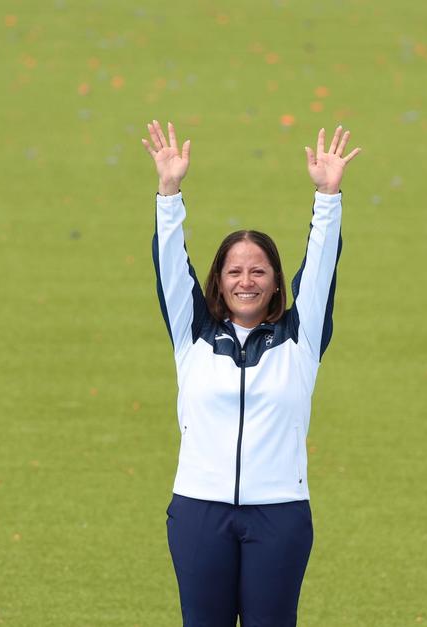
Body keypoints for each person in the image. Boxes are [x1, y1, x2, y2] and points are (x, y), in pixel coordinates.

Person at [145, 120, 360, 626]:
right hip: (199, 512)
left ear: (276, 281)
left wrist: (328, 196)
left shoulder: (300, 338)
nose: (246, 280)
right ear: (217, 280)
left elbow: (323, 266)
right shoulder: (191, 334)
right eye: (235, 271)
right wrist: (168, 192)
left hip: (279, 515)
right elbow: (171, 266)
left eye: (259, 270)